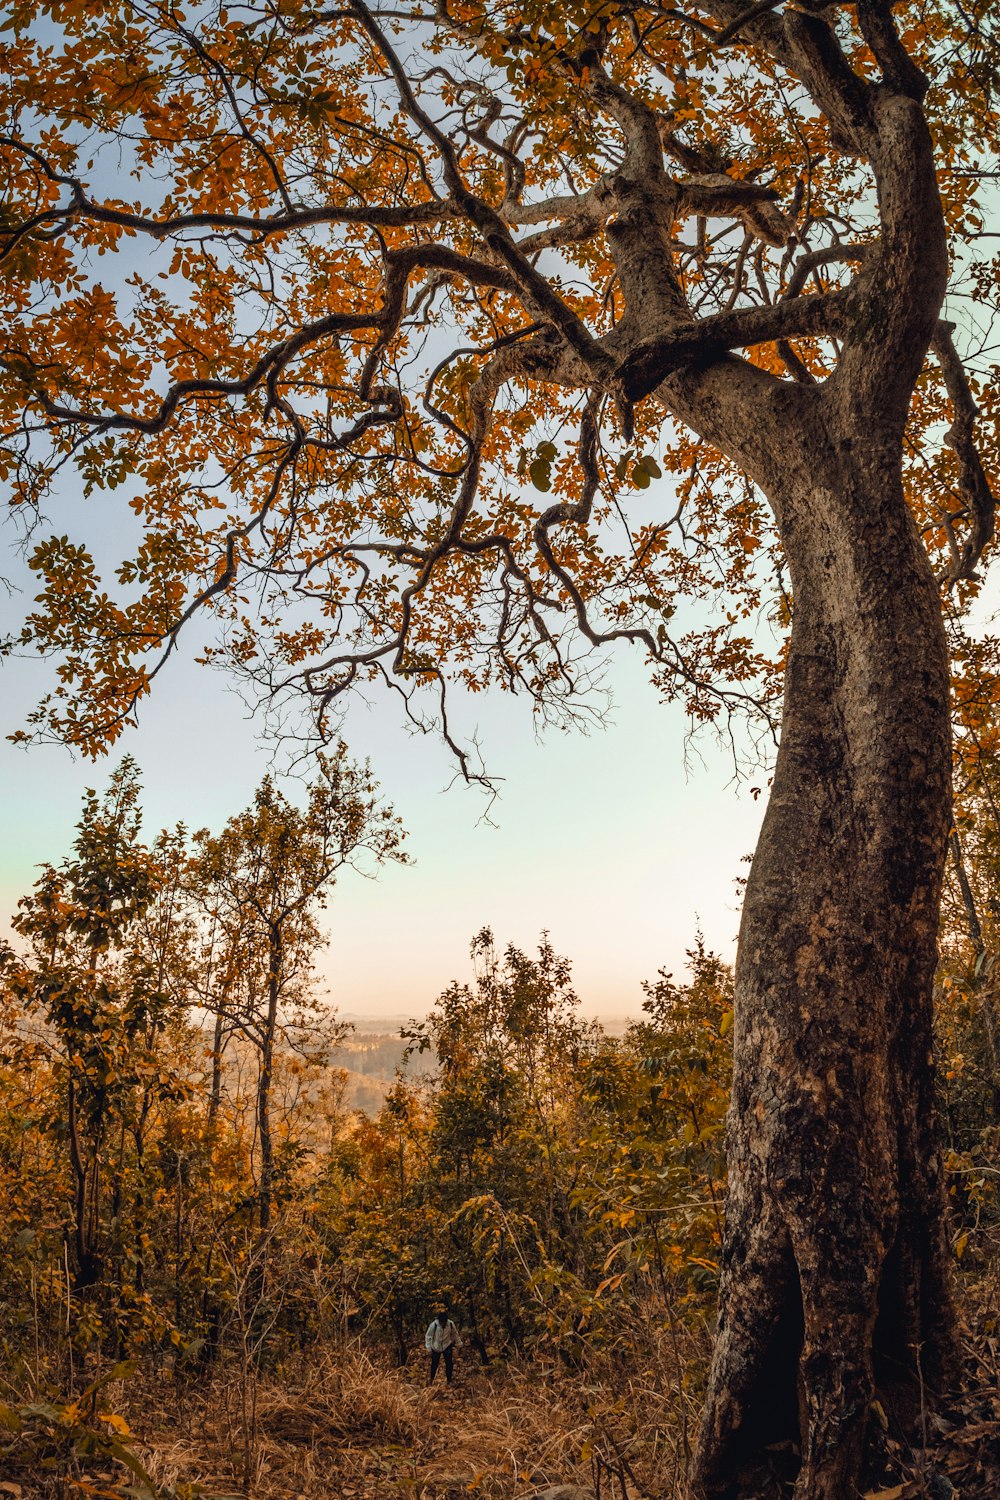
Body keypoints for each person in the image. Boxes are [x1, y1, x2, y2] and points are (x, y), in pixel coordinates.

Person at [424, 1304, 461, 1385]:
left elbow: (455, 1334)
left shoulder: (451, 1324)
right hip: (436, 1346)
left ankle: (449, 1380)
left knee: (449, 1364)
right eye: (442, 1323)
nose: (443, 1324)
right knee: (434, 1364)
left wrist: (459, 1344)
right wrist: (429, 1348)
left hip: (447, 1345)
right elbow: (428, 1336)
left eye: (444, 1322)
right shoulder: (434, 1325)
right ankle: (432, 1380)